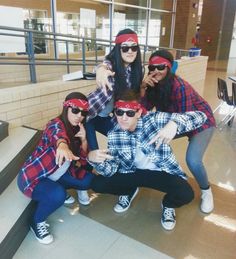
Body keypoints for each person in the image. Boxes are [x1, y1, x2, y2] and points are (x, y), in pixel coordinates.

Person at [87, 90, 207, 230]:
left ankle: (168, 205)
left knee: (186, 194)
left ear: (138, 113)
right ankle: (127, 191)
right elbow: (111, 169)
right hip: (132, 173)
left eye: (130, 113)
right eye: (119, 112)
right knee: (97, 184)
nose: (123, 118)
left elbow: (201, 116)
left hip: (160, 172)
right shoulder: (114, 134)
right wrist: (94, 159)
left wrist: (174, 124)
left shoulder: (153, 120)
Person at [141, 49, 216, 214]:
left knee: (193, 160)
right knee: (148, 139)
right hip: (174, 121)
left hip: (200, 121)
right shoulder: (153, 85)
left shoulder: (179, 86)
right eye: (151, 67)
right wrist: (143, 87)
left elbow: (188, 119)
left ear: (168, 67)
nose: (155, 71)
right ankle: (149, 177)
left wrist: (167, 131)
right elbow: (142, 109)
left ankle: (206, 191)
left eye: (160, 67)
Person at [17, 92, 94, 244]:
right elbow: (58, 135)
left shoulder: (78, 130)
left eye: (84, 112)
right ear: (66, 108)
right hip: (34, 177)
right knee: (57, 196)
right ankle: (36, 221)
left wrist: (84, 140)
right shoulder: (55, 124)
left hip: (58, 174)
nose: (79, 115)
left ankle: (56, 189)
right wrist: (63, 145)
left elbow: (84, 162)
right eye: (75, 110)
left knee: (87, 180)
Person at [86, 28, 143, 150]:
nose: (130, 51)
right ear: (118, 49)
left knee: (122, 141)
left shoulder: (137, 71)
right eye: (125, 48)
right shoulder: (111, 65)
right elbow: (103, 65)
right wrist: (101, 70)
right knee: (94, 152)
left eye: (134, 47)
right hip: (89, 115)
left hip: (107, 117)